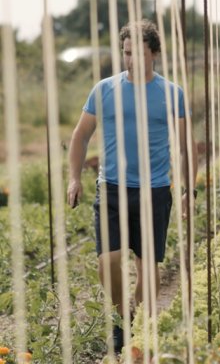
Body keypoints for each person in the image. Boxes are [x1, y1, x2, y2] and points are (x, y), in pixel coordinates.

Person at [67, 19, 198, 353]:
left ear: (154, 54)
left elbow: (186, 146)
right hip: (111, 188)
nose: (130, 61)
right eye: (126, 54)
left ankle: (135, 321)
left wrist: (188, 189)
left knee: (147, 270)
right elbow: (81, 135)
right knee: (106, 263)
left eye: (138, 54)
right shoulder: (104, 90)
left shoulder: (171, 93)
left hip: (154, 191)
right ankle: (120, 315)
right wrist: (74, 178)